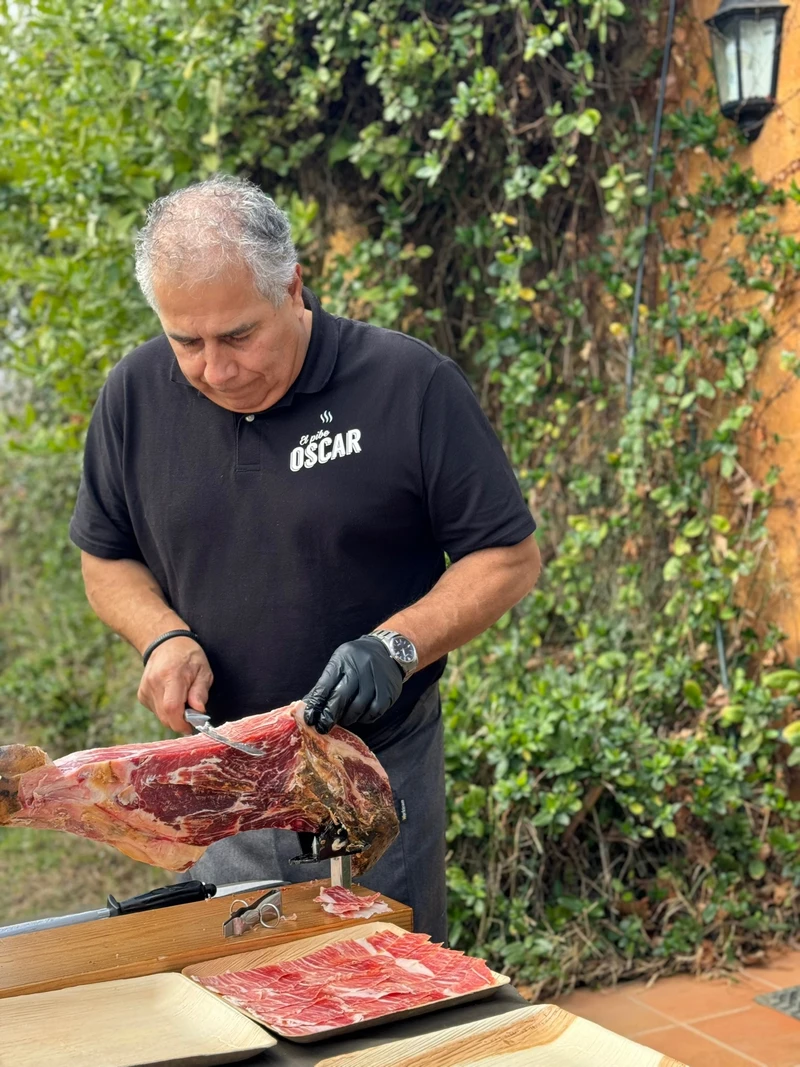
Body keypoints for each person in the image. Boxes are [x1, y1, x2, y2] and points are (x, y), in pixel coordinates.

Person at [69, 175, 541, 943]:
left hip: (375, 770)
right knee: (241, 995)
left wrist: (396, 644)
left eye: (239, 336)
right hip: (221, 770)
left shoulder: (408, 384)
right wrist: (160, 634)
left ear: (293, 286)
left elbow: (508, 556)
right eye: (187, 341)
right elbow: (106, 559)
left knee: (388, 995)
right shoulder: (132, 396)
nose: (215, 370)